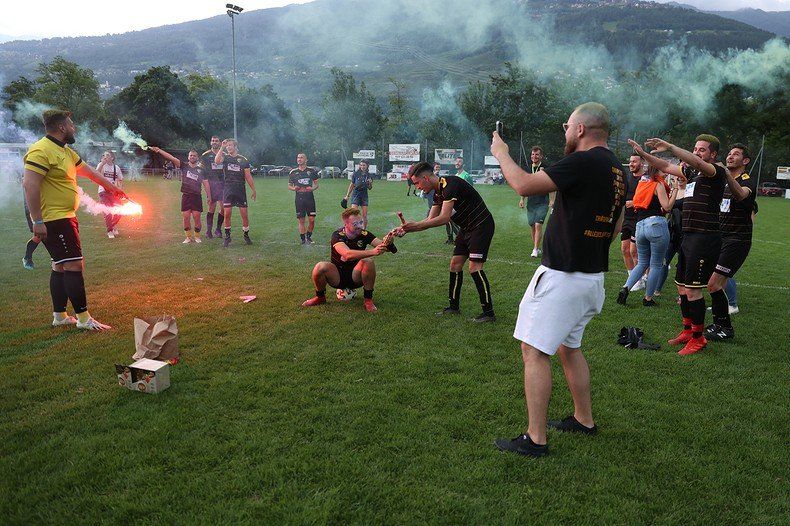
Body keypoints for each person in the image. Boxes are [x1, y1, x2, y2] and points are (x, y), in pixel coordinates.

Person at [491, 102, 625, 458]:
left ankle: (535, 439)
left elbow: (523, 185)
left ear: (580, 129)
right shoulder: (617, 168)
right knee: (569, 347)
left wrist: (501, 152)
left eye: (567, 126)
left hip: (563, 277)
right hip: (591, 279)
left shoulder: (582, 160)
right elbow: (617, 225)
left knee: (534, 351)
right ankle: (584, 419)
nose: (565, 132)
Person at [22, 109, 127, 330]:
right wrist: (38, 221)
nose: (74, 128)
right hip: (53, 218)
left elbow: (90, 173)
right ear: (61, 127)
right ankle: (84, 319)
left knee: (60, 265)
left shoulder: (66, 152)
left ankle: (60, 316)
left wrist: (114, 189)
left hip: (64, 216)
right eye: (71, 124)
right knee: (73, 264)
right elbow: (29, 185)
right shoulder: (41, 150)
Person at [629, 134, 727, 356]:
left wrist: (671, 147)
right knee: (682, 287)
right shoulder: (692, 173)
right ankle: (687, 330)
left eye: (702, 149)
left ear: (713, 154)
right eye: (695, 148)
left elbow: (698, 163)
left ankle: (698, 338)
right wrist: (643, 154)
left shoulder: (715, 172)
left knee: (693, 290)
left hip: (704, 237)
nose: (696, 152)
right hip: (688, 235)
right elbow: (664, 166)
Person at [401, 161, 496, 322]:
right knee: (455, 264)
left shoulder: (449, 185)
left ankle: (489, 313)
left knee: (474, 268)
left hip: (481, 225)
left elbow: (444, 218)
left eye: (417, 183)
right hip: (467, 227)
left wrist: (414, 226)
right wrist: (406, 229)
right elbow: (429, 220)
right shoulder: (438, 192)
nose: (417, 187)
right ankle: (453, 307)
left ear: (425, 178)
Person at [704, 143, 756, 340]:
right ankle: (720, 324)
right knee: (717, 283)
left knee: (713, 284)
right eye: (730, 153)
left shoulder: (747, 180)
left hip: (737, 240)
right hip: (721, 237)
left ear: (745, 161)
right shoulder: (724, 181)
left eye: (736, 154)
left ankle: (725, 328)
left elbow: (741, 195)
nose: (730, 156)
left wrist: (726, 174)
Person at [301, 208, 397, 313]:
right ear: (346, 224)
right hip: (337, 276)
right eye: (355, 224)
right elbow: (347, 255)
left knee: (368, 262)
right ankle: (320, 297)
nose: (360, 226)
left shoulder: (364, 234)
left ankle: (368, 300)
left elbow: (384, 247)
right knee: (320, 266)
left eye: (361, 222)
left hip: (356, 276)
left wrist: (389, 241)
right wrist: (373, 252)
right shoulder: (337, 235)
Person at [616, 166, 679, 306]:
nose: (666, 171)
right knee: (656, 264)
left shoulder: (642, 183)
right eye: (663, 169)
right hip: (656, 224)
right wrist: (675, 189)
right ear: (657, 170)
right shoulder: (658, 184)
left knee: (642, 263)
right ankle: (648, 298)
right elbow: (667, 207)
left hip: (640, 225)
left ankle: (625, 288)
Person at [149, 146, 211, 244]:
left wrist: (209, 196)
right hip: (186, 196)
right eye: (191, 155)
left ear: (197, 157)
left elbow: (206, 183)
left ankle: (197, 237)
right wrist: (159, 150)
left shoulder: (201, 170)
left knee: (197, 217)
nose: (192, 157)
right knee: (186, 217)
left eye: (194, 156)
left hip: (196, 196)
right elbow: (171, 157)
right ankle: (188, 237)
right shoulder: (184, 166)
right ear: (188, 157)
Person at [214, 139, 256, 247]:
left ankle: (246, 235)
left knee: (244, 214)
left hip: (240, 188)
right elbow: (217, 161)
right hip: (228, 188)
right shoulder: (225, 157)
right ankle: (227, 237)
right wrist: (222, 147)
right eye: (227, 145)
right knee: (227, 213)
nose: (228, 147)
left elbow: (248, 176)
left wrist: (253, 190)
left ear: (235, 146)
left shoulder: (243, 160)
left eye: (230, 145)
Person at [518, 146, 553, 258]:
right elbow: (525, 186)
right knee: (532, 225)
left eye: (537, 154)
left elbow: (552, 184)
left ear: (541, 156)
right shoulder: (528, 169)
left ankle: (535, 249)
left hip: (543, 201)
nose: (534, 156)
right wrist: (522, 199)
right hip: (531, 201)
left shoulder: (546, 168)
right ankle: (536, 247)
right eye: (533, 154)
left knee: (538, 225)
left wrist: (552, 200)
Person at [621, 154, 643, 284]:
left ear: (641, 163)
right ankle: (632, 278)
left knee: (634, 251)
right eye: (630, 161)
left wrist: (634, 203)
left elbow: (648, 198)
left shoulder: (645, 179)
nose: (631, 164)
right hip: (627, 219)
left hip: (639, 219)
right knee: (625, 249)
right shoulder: (627, 178)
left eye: (634, 161)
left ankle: (639, 280)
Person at [288, 153, 319, 244]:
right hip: (299, 198)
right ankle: (303, 240)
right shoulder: (293, 172)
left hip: (309, 197)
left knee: (312, 220)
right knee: (301, 220)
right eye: (298, 157)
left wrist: (312, 188)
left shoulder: (311, 171)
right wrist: (294, 188)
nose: (299, 159)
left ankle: (308, 236)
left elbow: (316, 184)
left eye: (301, 157)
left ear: (306, 160)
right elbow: (289, 186)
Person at [201, 136, 225, 239]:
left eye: (216, 141)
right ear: (211, 142)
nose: (214, 142)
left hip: (223, 184)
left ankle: (218, 230)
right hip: (211, 184)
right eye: (212, 141)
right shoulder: (205, 155)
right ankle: (208, 231)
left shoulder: (224, 155)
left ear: (220, 143)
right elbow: (202, 171)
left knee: (223, 208)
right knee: (211, 207)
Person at [96, 151, 124, 239]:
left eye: (107, 155)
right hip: (103, 191)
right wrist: (102, 164)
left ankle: (112, 225)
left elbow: (120, 180)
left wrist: (120, 190)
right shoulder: (101, 165)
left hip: (113, 192)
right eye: (104, 155)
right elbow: (95, 174)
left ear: (112, 157)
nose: (105, 156)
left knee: (119, 210)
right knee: (108, 212)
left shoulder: (116, 168)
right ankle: (110, 231)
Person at [344, 160, 373, 228]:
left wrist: (370, 183)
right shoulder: (356, 174)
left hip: (364, 195)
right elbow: (352, 185)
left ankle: (364, 230)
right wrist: (347, 195)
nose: (362, 166)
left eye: (364, 165)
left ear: (367, 166)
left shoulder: (369, 175)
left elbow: (370, 188)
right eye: (361, 165)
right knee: (353, 213)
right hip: (356, 194)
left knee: (364, 215)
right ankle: (351, 228)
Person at [22, 188, 41, 269]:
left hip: (43, 207)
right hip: (34, 209)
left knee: (44, 235)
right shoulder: (30, 182)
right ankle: (27, 257)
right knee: (39, 235)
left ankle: (56, 260)